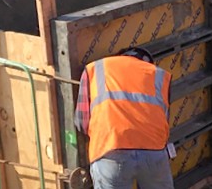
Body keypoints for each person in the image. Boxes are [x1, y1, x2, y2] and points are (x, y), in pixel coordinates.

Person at [75, 47, 174, 189]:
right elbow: (163, 120)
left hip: (110, 149)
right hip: (153, 151)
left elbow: (82, 122)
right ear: (147, 62)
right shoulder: (159, 75)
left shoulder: (95, 69)